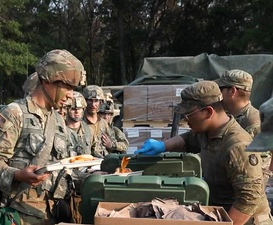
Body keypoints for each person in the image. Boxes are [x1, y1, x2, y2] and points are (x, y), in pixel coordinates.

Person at [135, 80, 272, 225]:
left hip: (246, 220)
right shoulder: (207, 132)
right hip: (221, 214)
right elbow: (188, 139)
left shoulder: (237, 146)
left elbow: (248, 199)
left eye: (188, 115)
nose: (186, 121)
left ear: (208, 112)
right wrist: (163, 146)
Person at [0, 49, 86, 225]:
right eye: (67, 87)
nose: (71, 94)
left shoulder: (58, 120)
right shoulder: (15, 114)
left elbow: (65, 164)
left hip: (52, 215)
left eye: (73, 89)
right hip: (20, 215)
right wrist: (18, 175)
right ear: (47, 80)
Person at [215, 69, 260, 138]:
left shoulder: (253, 124)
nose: (217, 93)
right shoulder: (225, 114)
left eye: (220, 89)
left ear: (232, 91)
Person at [82, 85, 116, 158]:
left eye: (96, 101)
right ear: (84, 101)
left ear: (101, 102)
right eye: (90, 100)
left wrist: (111, 145)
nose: (93, 104)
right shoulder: (79, 123)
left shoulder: (103, 123)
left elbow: (114, 142)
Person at [65, 91, 93, 156]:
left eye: (79, 108)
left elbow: (95, 152)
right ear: (67, 109)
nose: (77, 112)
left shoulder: (89, 130)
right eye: (73, 109)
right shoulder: (61, 131)